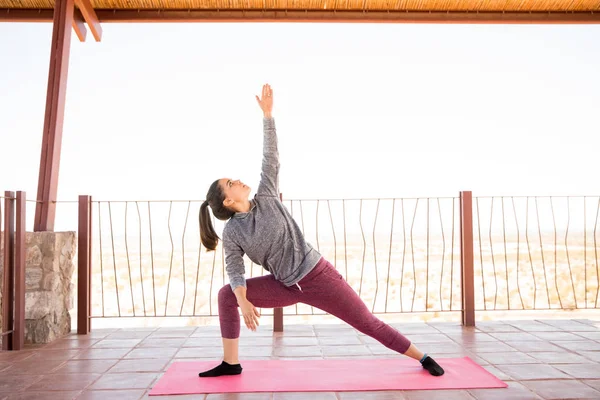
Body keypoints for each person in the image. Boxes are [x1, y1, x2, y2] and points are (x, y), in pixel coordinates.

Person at [197, 83, 444, 378]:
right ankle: (231, 364)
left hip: (318, 276)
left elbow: (270, 158)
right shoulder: (234, 233)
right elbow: (234, 269)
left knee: (366, 322)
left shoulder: (265, 196)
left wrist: (267, 117)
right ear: (228, 200)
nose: (238, 181)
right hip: (284, 285)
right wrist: (243, 299)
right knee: (227, 294)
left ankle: (423, 357)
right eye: (232, 183)